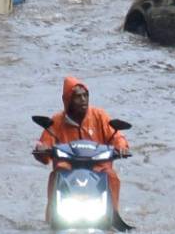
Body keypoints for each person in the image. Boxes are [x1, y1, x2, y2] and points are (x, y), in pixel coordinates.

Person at [33, 77, 130, 223]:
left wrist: (122, 148)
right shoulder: (57, 121)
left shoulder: (100, 116)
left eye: (86, 95)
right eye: (78, 97)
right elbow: (44, 151)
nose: (83, 100)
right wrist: (42, 149)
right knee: (56, 173)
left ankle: (112, 217)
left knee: (111, 175)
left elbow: (117, 137)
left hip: (99, 167)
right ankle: (52, 219)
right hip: (67, 169)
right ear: (68, 100)